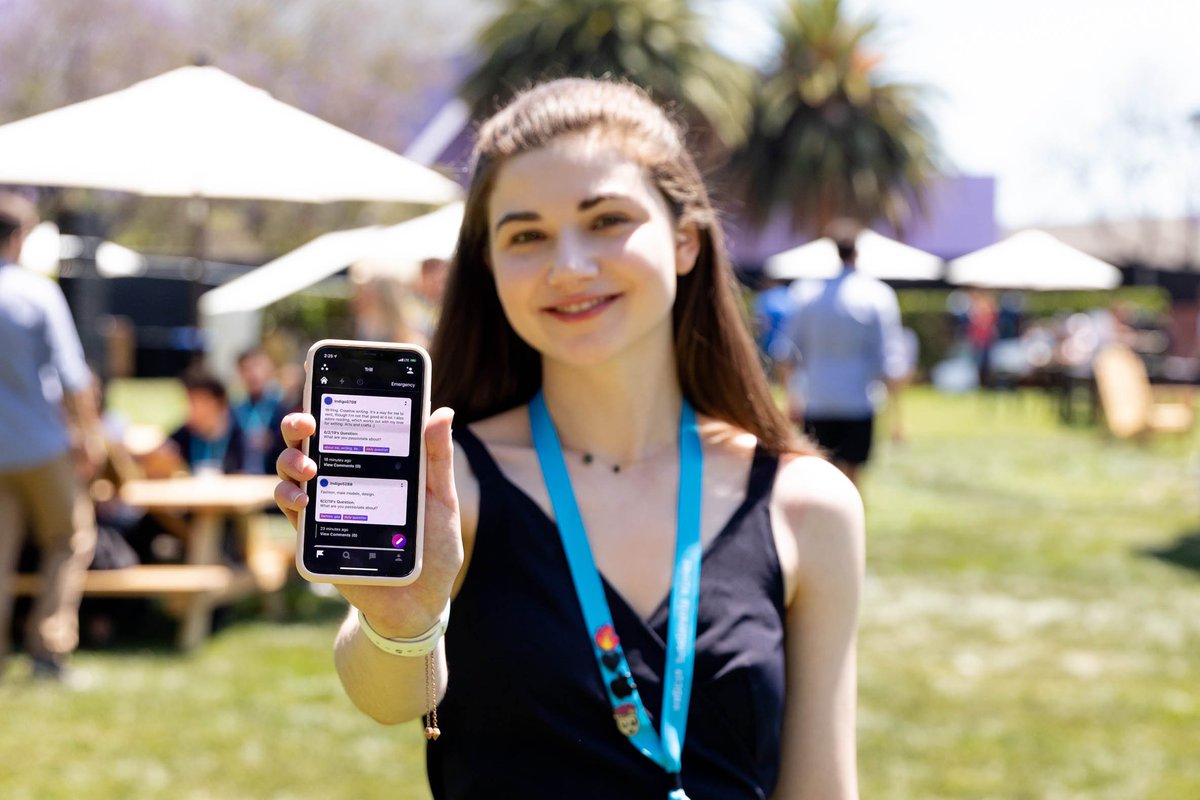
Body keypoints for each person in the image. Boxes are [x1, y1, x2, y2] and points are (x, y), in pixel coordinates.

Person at [275, 79, 864, 799]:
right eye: (526, 235)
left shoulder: (807, 505)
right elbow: (389, 697)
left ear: (685, 240)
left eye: (607, 219)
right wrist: (399, 620)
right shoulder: (455, 481)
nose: (569, 266)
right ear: (489, 266)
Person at [0, 192, 103, 680]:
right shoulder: (37, 292)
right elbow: (73, 377)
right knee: (70, 538)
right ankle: (48, 649)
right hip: (40, 446)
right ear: (19, 236)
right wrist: (91, 439)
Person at [780, 219, 906, 487]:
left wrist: (791, 399)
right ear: (857, 253)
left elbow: (786, 353)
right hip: (858, 401)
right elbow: (891, 360)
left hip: (816, 400)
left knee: (819, 476)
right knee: (852, 478)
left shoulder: (805, 293)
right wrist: (897, 417)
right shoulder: (877, 295)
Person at [232, 347, 288, 475]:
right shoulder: (237, 409)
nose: (252, 374)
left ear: (269, 369)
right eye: (246, 369)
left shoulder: (284, 406)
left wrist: (272, 441)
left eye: (257, 367)